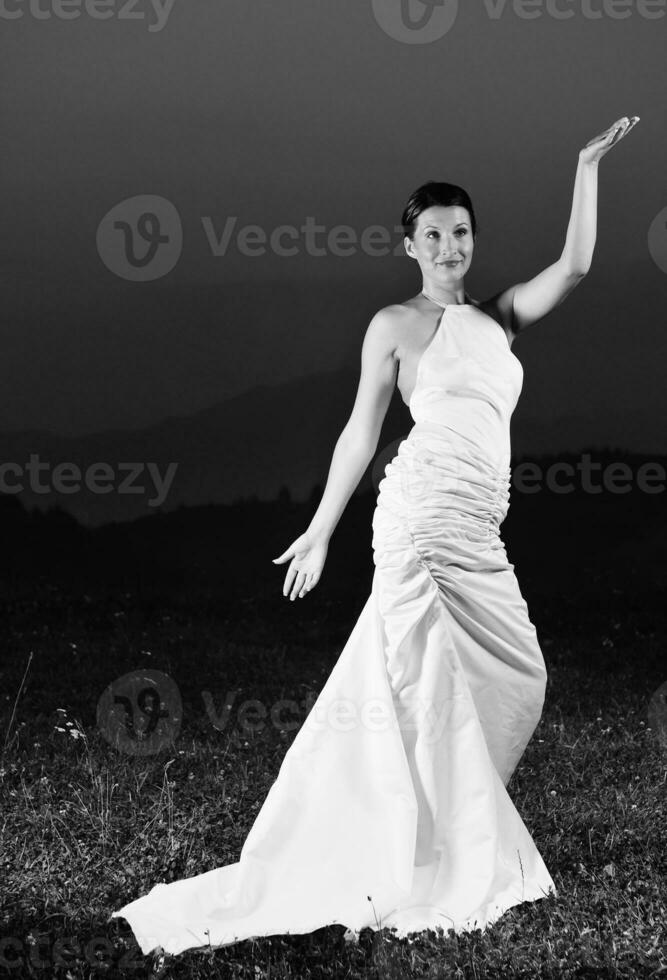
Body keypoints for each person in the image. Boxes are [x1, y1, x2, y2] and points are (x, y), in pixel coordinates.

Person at [110, 115, 639, 957]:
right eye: (432, 235)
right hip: (418, 519)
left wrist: (585, 168)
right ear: (410, 245)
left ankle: (439, 833)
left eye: (461, 233)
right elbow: (359, 433)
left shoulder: (499, 319)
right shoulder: (392, 324)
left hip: (477, 525)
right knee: (425, 690)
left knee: (519, 676)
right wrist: (320, 531)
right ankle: (423, 854)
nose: (449, 246)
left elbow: (574, 265)